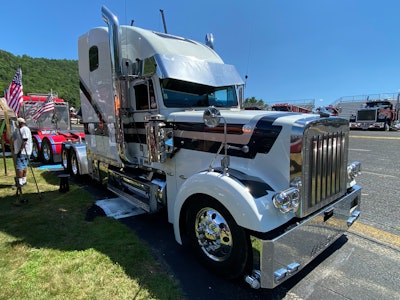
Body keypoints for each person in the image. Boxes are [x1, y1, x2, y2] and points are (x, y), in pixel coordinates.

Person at [12, 118, 32, 187]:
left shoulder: (25, 129)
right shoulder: (19, 130)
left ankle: (20, 182)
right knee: (23, 166)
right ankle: (23, 180)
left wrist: (20, 150)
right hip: (22, 151)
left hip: (23, 151)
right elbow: (13, 138)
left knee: (19, 167)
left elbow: (25, 140)